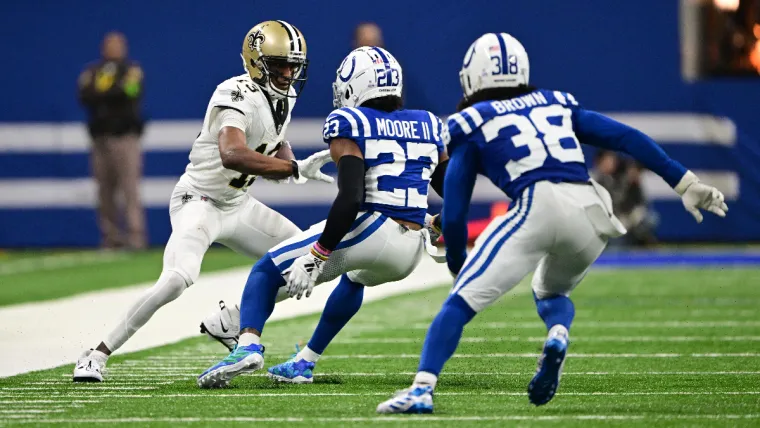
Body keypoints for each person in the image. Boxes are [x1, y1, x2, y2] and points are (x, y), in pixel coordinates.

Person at [377, 32, 728, 413]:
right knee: (551, 293)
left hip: (538, 203)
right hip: (592, 208)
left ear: (472, 78)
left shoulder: (470, 121)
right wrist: (684, 181)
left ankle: (422, 389)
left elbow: (457, 211)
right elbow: (625, 137)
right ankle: (558, 333)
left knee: (459, 304)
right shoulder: (554, 102)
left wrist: (460, 267)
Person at [73, 20, 334, 382]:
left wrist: (295, 164)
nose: (289, 73)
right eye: (279, 65)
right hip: (199, 200)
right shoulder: (235, 93)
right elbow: (232, 153)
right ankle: (96, 354)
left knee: (308, 261)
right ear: (256, 62)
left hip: (238, 203)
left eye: (293, 65)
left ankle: (230, 322)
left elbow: (272, 146)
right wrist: (291, 168)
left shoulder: (282, 97)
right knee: (177, 279)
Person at [196, 46, 448, 388]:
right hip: (410, 250)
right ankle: (304, 361)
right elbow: (452, 189)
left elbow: (351, 197)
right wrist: (438, 222)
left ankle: (248, 345)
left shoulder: (350, 121)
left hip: (373, 227)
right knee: (355, 279)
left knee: (265, 271)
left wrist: (319, 254)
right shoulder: (429, 123)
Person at [78, 32, 146, 250]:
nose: (113, 49)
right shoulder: (93, 71)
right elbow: (85, 95)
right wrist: (110, 91)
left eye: (117, 45)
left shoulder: (132, 70)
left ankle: (135, 237)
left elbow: (131, 91)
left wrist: (104, 92)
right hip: (101, 138)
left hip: (124, 137)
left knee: (129, 188)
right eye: (109, 45)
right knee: (104, 190)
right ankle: (111, 237)